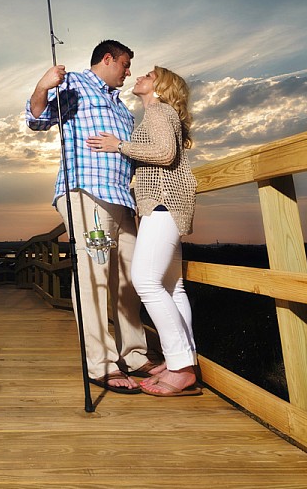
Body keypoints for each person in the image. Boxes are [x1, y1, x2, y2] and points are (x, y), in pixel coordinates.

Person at [26, 39, 158, 394]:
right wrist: (42, 86)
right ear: (108, 58)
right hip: (85, 192)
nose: (128, 72)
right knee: (94, 275)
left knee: (132, 277)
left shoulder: (123, 110)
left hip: (121, 199)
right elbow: (36, 118)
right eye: (126, 65)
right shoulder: (75, 84)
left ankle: (134, 354)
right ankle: (100, 364)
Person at [88, 65, 200, 397]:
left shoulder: (159, 111)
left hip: (163, 203)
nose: (140, 77)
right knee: (171, 286)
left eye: (149, 75)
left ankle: (181, 367)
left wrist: (118, 145)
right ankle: (183, 359)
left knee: (146, 282)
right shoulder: (159, 114)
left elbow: (165, 155)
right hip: (167, 203)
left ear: (161, 88)